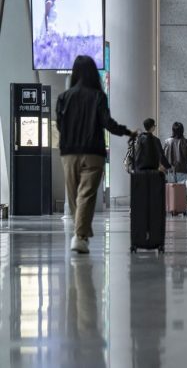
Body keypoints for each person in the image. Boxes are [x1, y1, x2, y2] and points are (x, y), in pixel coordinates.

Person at [57, 55, 136, 254]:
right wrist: (128, 132)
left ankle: (80, 235)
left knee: (74, 195)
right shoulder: (98, 96)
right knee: (86, 195)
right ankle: (80, 236)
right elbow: (107, 123)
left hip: (69, 153)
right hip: (93, 153)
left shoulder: (64, 98)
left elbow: (59, 125)